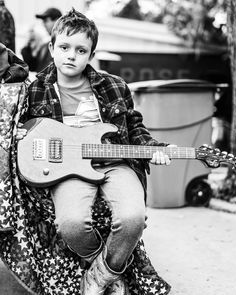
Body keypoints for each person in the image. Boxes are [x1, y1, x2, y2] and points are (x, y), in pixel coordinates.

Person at [17, 8, 173, 295]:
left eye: (81, 50)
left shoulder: (115, 86)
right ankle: (104, 265)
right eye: (64, 47)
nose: (71, 55)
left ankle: (100, 277)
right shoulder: (34, 89)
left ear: (90, 54)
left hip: (115, 163)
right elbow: (23, 132)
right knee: (72, 224)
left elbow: (135, 129)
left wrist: (155, 150)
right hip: (68, 168)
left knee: (133, 219)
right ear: (51, 48)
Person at [21, 7, 62, 72]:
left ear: (57, 21)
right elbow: (32, 67)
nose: (43, 24)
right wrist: (28, 45)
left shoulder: (64, 46)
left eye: (46, 21)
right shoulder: (45, 46)